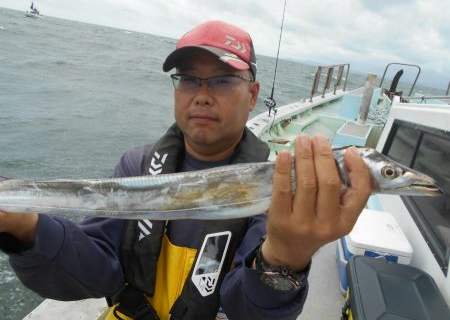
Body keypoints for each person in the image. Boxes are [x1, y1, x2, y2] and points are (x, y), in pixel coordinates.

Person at [0, 20, 371, 320]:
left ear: (254, 94)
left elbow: (248, 311)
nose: (202, 94)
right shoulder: (137, 166)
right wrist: (25, 228)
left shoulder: (273, 189)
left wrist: (286, 258)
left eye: (223, 80)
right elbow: (96, 272)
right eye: (189, 79)